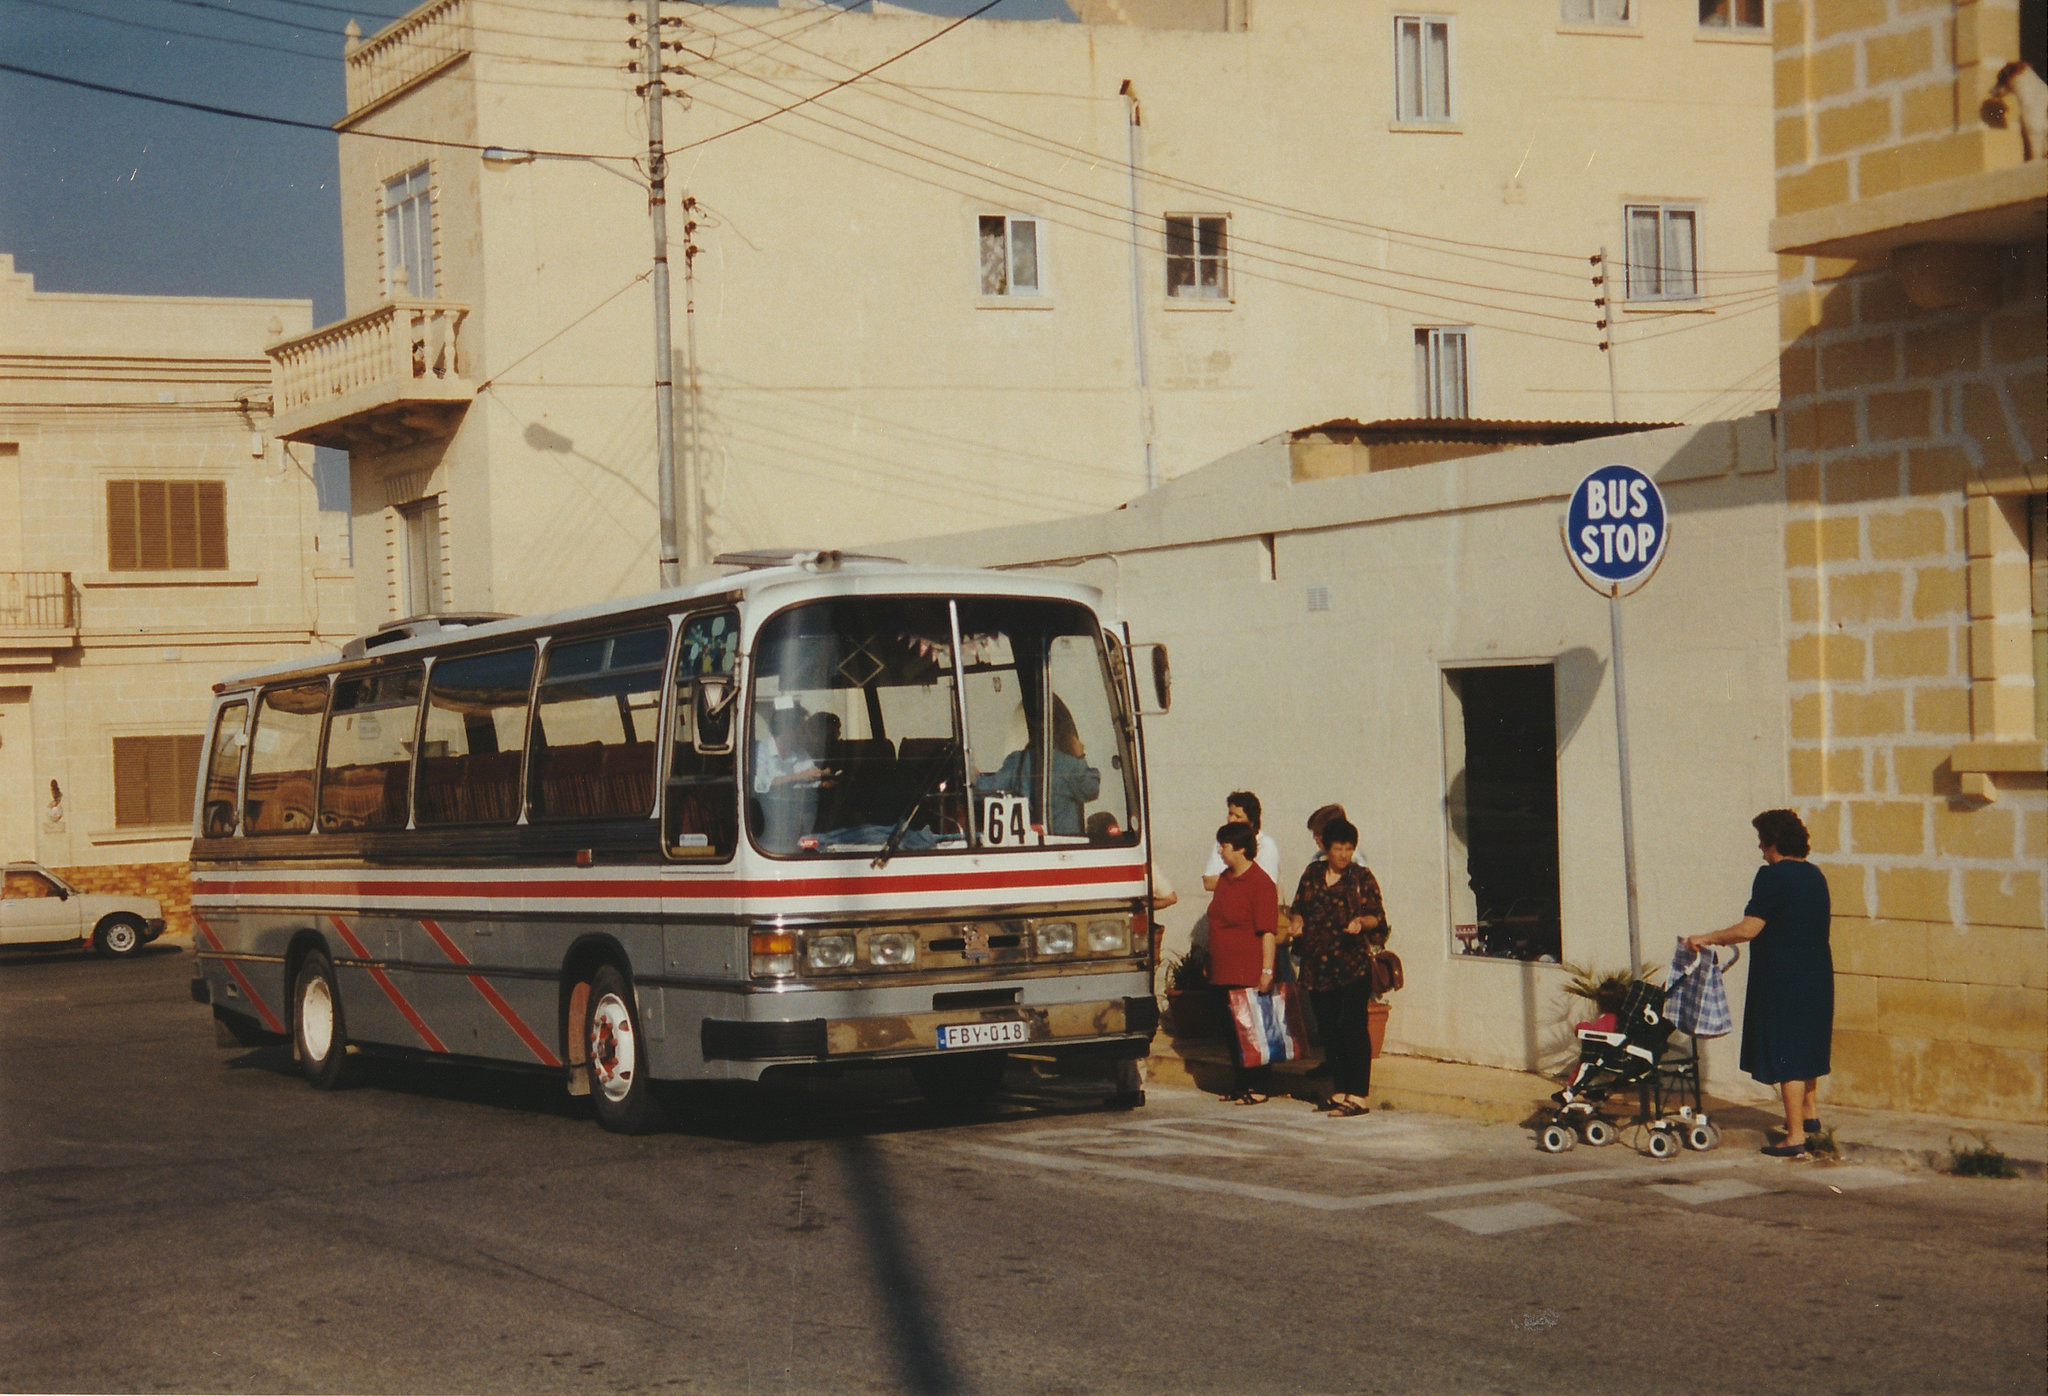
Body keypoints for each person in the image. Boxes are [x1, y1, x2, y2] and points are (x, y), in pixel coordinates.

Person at [1683, 809, 1833, 1160]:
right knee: (1805, 1045)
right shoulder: (1815, 875)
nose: (1761, 849)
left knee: (1787, 1051)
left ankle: (1794, 1135)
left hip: (1783, 974)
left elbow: (1749, 929)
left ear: (1775, 843)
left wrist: (1707, 938)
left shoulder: (1772, 876)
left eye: (1763, 842)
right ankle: (1809, 1118)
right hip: (1816, 971)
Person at [1287, 817, 1385, 1117]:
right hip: (1317, 965)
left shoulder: (1361, 877)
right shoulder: (1312, 874)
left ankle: (1358, 1095)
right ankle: (1340, 1090)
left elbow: (1377, 916)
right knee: (1328, 1029)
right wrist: (1296, 924)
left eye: (1348, 848)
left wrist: (1360, 922)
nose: (1343, 854)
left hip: (1351, 964)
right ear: (1326, 849)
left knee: (1352, 1027)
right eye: (1337, 848)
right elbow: (1299, 908)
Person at [1206, 821, 1279, 1104]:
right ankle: (1241, 1082)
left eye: (1224, 846)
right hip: (1222, 971)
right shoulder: (1225, 879)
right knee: (1231, 1031)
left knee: (1253, 1031)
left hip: (1247, 971)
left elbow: (1267, 932)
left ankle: (1259, 1086)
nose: (1220, 852)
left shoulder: (1260, 884)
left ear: (1239, 849)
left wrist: (1266, 971)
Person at [975, 697, 1100, 836]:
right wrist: (1079, 756)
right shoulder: (1071, 765)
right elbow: (1091, 790)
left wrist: (973, 774)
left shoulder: (1017, 761)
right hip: (1065, 844)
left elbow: (984, 790)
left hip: (1030, 843)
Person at [1201, 791, 1280, 890]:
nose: (1231, 820)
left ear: (1251, 822)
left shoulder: (1265, 844)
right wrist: (1242, 880)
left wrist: (1226, 880)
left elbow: (1265, 885)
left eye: (1237, 816)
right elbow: (1208, 883)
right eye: (1230, 814)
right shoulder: (1222, 844)